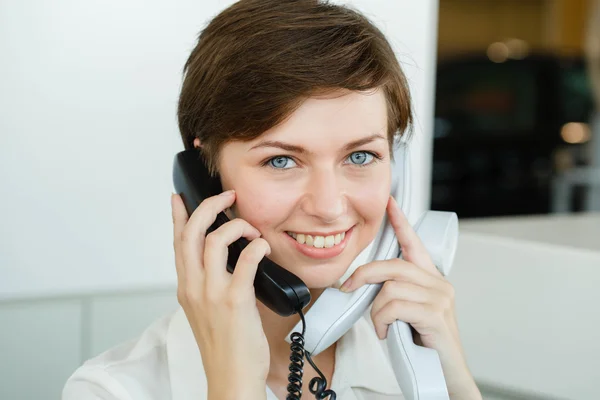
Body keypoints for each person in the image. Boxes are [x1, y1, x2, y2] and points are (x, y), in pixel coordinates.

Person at [63, 1, 481, 399]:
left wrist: (456, 386)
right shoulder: (111, 390)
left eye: (360, 156)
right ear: (205, 178)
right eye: (281, 161)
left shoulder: (418, 363)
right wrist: (235, 385)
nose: (329, 206)